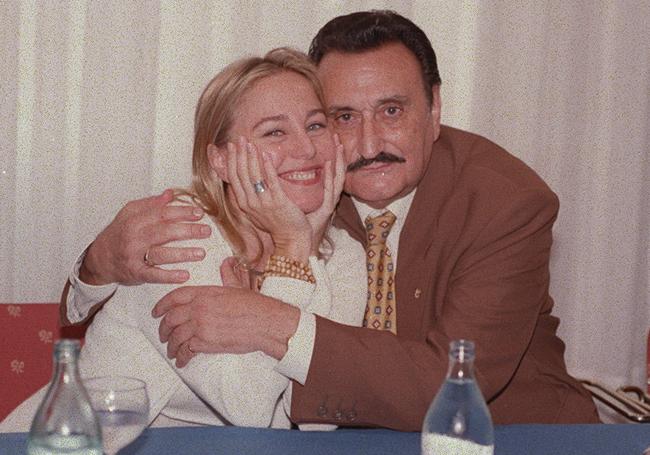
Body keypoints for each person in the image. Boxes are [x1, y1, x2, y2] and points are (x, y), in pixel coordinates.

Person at [59, 11, 600, 430]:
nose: (366, 145)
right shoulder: (305, 191)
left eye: (391, 111)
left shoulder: (505, 202)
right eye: (341, 117)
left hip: (508, 434)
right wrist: (99, 261)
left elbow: (452, 380)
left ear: (435, 109)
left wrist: (272, 321)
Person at [1, 48, 366, 431]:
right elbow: (250, 408)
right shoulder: (177, 231)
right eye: (275, 131)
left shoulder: (343, 255)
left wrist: (265, 306)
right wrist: (293, 248)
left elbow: (315, 420)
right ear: (220, 161)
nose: (306, 149)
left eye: (315, 125)